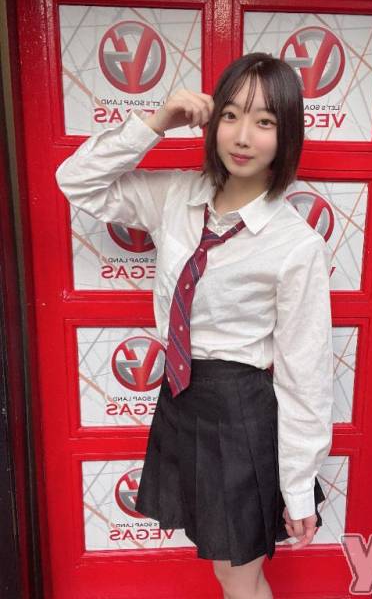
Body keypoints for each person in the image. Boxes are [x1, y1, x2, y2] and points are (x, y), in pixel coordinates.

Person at [56, 52, 334, 599]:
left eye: (264, 122)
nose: (243, 137)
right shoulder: (177, 196)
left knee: (239, 576)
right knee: (226, 570)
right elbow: (76, 181)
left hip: (240, 414)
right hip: (182, 400)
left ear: (286, 135)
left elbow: (306, 374)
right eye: (231, 115)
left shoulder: (296, 245)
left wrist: (299, 486)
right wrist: (155, 123)